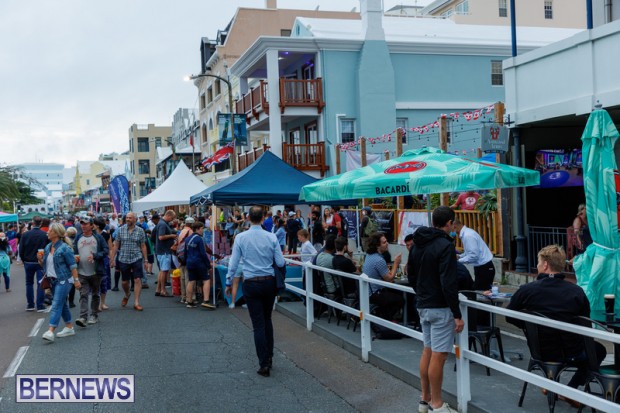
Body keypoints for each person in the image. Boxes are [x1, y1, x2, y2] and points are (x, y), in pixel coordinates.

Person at [506, 244, 606, 408]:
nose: (537, 266)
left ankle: (551, 381)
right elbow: (585, 323)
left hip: (541, 351)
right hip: (572, 352)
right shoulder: (576, 291)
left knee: (588, 349)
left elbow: (510, 316)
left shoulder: (527, 290)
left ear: (545, 265)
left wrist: (529, 327)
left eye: (538, 262)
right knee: (598, 350)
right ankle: (571, 389)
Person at [407, 206, 463, 413]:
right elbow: (448, 282)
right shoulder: (445, 245)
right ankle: (437, 404)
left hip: (423, 304)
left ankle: (425, 398)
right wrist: (457, 314)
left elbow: (410, 273)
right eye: (452, 224)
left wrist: (421, 292)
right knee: (439, 356)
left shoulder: (417, 243)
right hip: (440, 306)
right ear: (448, 223)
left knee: (428, 352)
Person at [225, 206, 285, 377]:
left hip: (251, 281)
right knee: (267, 320)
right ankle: (270, 356)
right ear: (262, 218)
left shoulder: (241, 237)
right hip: (268, 281)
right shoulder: (271, 236)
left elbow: (234, 262)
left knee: (258, 324)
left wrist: (229, 281)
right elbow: (280, 262)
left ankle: (263, 363)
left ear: (248, 218)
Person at [40, 223, 81, 342]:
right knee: (62, 304)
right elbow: (45, 265)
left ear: (56, 233)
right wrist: (40, 259)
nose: (47, 232)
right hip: (52, 280)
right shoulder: (48, 247)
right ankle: (69, 327)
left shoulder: (64, 248)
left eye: (50, 231)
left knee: (56, 303)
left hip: (64, 281)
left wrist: (76, 280)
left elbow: (73, 266)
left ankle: (50, 331)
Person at [73, 216, 109, 327]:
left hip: (95, 272)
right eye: (82, 224)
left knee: (95, 294)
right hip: (82, 271)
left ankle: (94, 315)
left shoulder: (98, 238)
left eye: (85, 224)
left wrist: (95, 255)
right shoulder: (78, 237)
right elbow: (74, 252)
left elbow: (105, 250)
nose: (83, 226)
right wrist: (74, 258)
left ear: (91, 225)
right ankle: (83, 317)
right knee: (83, 294)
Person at [110, 212, 148, 311]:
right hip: (123, 258)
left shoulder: (140, 231)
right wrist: (112, 259)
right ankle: (127, 294)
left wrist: (146, 260)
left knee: (137, 280)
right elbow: (116, 245)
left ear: (135, 219)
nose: (128, 219)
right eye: (127, 218)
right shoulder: (120, 230)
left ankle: (136, 302)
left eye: (130, 218)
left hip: (136, 257)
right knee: (124, 282)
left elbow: (143, 246)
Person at [362, 232, 403, 321]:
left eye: (386, 241)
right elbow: (389, 278)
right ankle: (387, 319)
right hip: (375, 293)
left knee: (396, 294)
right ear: (377, 246)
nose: (387, 243)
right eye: (384, 242)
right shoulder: (379, 260)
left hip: (368, 292)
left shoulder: (369, 256)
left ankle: (387, 318)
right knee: (400, 299)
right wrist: (396, 263)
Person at [452, 219, 495, 291]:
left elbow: (474, 256)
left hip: (484, 268)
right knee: (480, 292)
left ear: (455, 226)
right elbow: (469, 252)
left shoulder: (468, 236)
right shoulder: (467, 233)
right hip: (481, 267)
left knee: (480, 293)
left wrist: (459, 261)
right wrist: (459, 256)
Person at [19, 216, 50, 312]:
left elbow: (21, 249)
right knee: (40, 283)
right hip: (40, 262)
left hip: (28, 262)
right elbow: (48, 249)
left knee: (29, 283)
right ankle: (40, 305)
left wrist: (24, 260)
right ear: (41, 223)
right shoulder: (44, 234)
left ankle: (30, 304)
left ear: (32, 223)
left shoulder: (25, 235)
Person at [184, 221, 215, 310]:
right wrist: (208, 265)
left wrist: (186, 262)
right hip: (199, 262)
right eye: (202, 229)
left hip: (190, 262)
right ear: (197, 229)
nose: (203, 230)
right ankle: (206, 301)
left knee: (191, 281)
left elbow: (185, 253)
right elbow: (203, 253)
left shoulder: (187, 239)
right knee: (206, 280)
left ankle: (189, 301)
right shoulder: (200, 239)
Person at [155, 210, 176, 298]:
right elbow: (161, 237)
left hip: (161, 250)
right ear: (168, 215)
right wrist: (172, 236)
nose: (172, 220)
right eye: (172, 218)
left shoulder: (161, 223)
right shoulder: (163, 224)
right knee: (164, 271)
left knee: (162, 270)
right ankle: (163, 290)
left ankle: (158, 289)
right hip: (164, 251)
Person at [93, 217, 112, 311]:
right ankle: (96, 303)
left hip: (104, 260)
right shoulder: (91, 235)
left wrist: (111, 260)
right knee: (95, 282)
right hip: (93, 260)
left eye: (93, 224)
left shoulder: (106, 235)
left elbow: (110, 248)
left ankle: (102, 302)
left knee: (104, 281)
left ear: (97, 225)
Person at [177, 217, 195, 304]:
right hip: (187, 256)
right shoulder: (190, 232)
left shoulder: (182, 231)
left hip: (180, 257)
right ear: (191, 224)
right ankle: (190, 297)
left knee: (183, 277)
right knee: (189, 278)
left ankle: (183, 296)